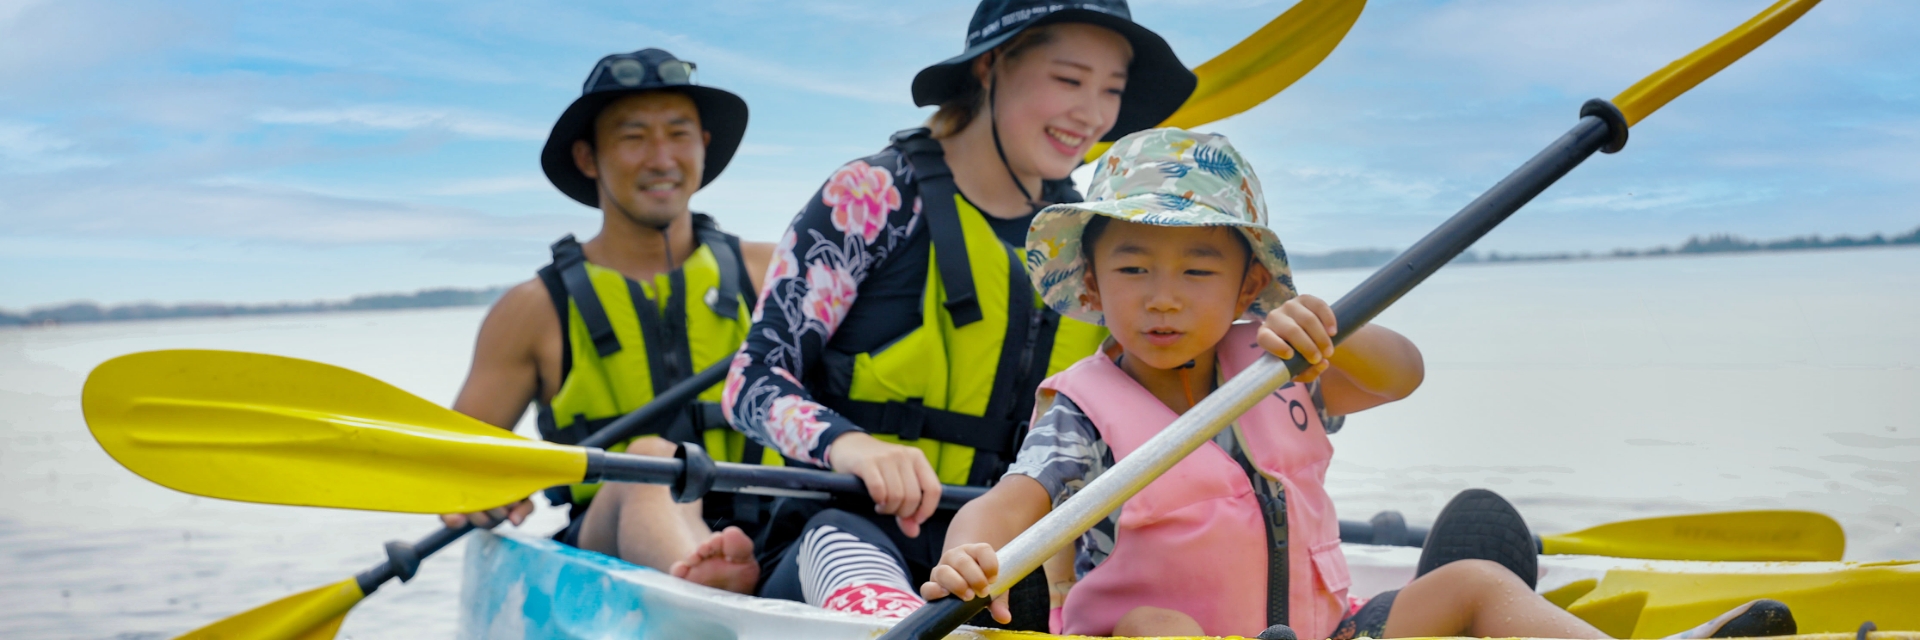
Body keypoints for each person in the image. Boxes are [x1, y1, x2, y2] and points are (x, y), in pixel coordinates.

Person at [921, 128, 1797, 639]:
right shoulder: (1083, 408)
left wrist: (1321, 328)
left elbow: (1404, 373)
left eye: (1196, 271)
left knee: (1475, 584)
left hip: (1319, 632)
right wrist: (971, 551)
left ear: (1244, 287)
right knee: (1163, 632)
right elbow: (1013, 503)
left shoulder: (1274, 359)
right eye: (1134, 268)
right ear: (1095, 285)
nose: (1161, 296)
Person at [702, 0, 1195, 626]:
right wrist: (852, 446)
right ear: (990, 67)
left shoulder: (1093, 245)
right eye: (1069, 80)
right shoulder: (872, 197)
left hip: (1007, 554)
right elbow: (752, 382)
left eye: (1111, 91)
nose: (1090, 114)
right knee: (865, 578)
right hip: (848, 527)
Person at [439, 48, 778, 595]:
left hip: (770, 532)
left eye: (678, 133)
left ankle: (719, 585)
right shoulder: (532, 310)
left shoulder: (776, 273)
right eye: (633, 137)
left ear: (703, 146)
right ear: (588, 157)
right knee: (647, 461)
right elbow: (450, 471)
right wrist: (475, 493)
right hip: (607, 552)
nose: (661, 158)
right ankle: (706, 590)